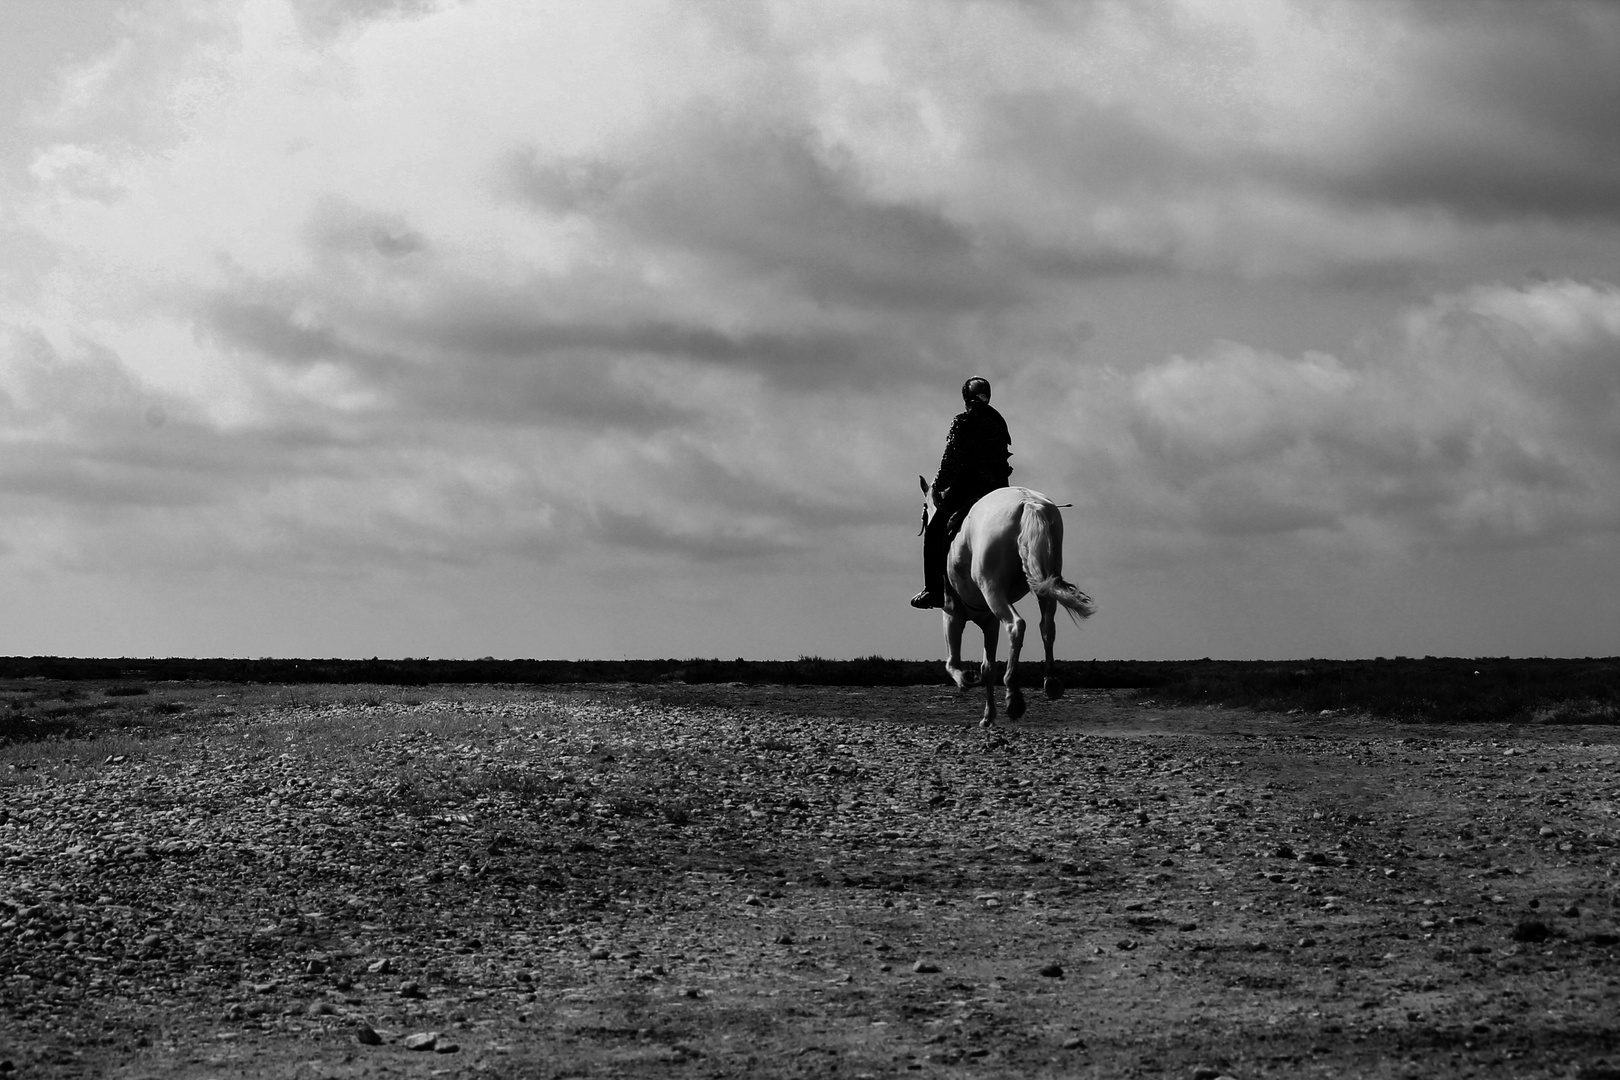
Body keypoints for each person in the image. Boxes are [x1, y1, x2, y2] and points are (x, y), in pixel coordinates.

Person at [910, 376, 1012, 609]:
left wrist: (936, 486)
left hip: (970, 486)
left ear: (966, 398)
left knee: (934, 531)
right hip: (998, 486)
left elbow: (951, 460)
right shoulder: (998, 421)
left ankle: (933, 591)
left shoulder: (964, 421)